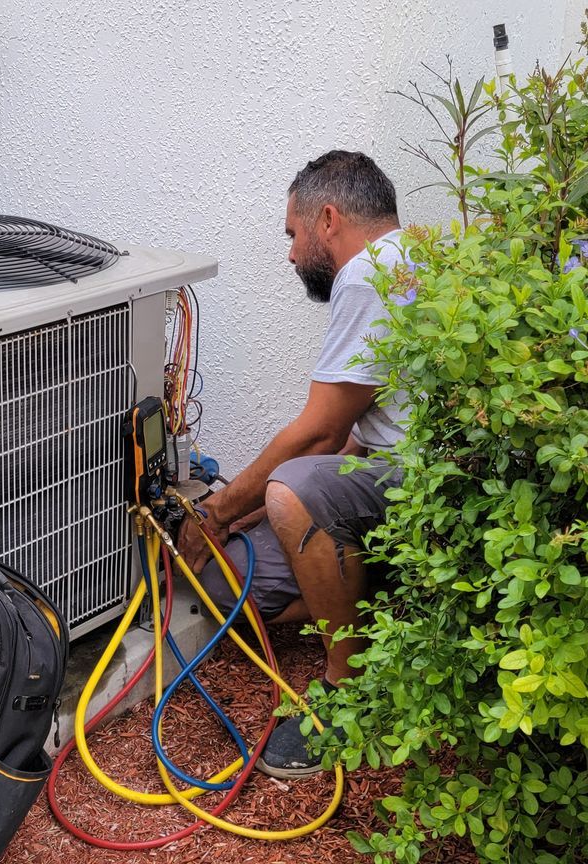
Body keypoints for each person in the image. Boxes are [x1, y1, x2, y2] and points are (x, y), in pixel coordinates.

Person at [175, 149, 408, 779]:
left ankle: (346, 689)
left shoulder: (369, 274)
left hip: (419, 494)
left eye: (292, 234)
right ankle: (386, 612)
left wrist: (217, 512)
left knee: (290, 490)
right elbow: (370, 424)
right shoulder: (415, 262)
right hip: (404, 489)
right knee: (225, 585)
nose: (290, 254)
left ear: (327, 218)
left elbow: (319, 435)